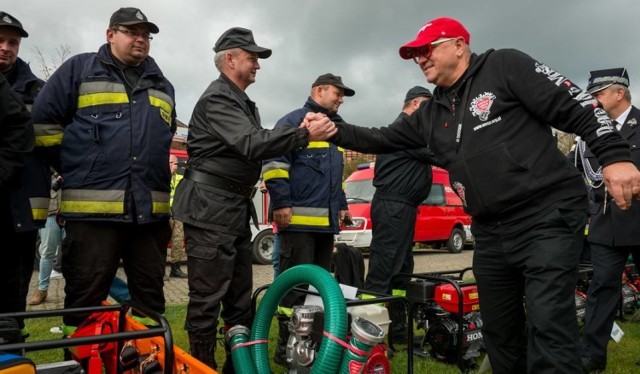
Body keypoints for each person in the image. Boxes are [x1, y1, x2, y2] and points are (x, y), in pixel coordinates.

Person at [304, 16, 640, 374]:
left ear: (459, 46)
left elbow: (577, 104)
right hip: (490, 230)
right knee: (499, 331)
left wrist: (615, 156)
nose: (420, 58)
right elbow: (382, 138)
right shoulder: (430, 112)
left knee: (548, 324)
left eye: (427, 49)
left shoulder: (504, 65)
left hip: (545, 216)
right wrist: (334, 130)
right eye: (415, 54)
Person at [171, 27, 336, 372]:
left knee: (239, 301)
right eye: (252, 57)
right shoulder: (218, 98)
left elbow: (256, 140)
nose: (258, 64)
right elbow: (252, 143)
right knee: (208, 299)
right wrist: (304, 133)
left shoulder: (241, 102)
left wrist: (294, 132)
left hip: (229, 209)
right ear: (230, 59)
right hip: (209, 208)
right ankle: (202, 366)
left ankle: (239, 366)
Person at [31, 7, 177, 333]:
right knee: (85, 301)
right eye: (131, 31)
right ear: (110, 34)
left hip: (148, 218)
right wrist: (72, 165)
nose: (140, 38)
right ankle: (85, 362)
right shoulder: (79, 70)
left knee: (149, 306)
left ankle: (143, 361)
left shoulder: (163, 85)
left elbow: (161, 143)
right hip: (92, 217)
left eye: (146, 34)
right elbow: (42, 125)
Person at [261, 72, 353, 366]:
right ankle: (283, 351)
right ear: (319, 90)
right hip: (297, 225)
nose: (340, 99)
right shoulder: (292, 122)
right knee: (293, 293)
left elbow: (334, 178)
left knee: (317, 291)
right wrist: (281, 202)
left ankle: (307, 349)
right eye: (337, 93)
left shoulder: (333, 130)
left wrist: (341, 205)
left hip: (324, 229)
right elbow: (274, 164)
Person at [576, 68, 640, 373]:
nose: (595, 101)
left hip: (639, 221)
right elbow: (575, 172)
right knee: (601, 290)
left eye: (599, 94)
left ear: (619, 93)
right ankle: (591, 355)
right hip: (604, 225)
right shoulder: (590, 132)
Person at [364, 86, 434, 344]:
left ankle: (398, 332)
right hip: (393, 206)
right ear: (416, 104)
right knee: (382, 273)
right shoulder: (405, 130)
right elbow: (438, 152)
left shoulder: (409, 130)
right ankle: (370, 338)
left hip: (403, 208)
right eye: (429, 107)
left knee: (401, 271)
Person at [0, 11, 49, 337]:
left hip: (21, 212)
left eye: (12, 42)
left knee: (12, 295)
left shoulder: (40, 91)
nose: (5, 47)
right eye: (0, 41)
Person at [28, 172, 66, 306]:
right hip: (50, 214)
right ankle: (42, 290)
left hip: (71, 214)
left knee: (76, 254)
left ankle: (76, 291)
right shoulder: (44, 167)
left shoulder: (70, 161)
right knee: (47, 252)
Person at [167, 154, 187, 279]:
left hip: (177, 213)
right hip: (163, 213)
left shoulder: (180, 177)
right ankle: (159, 271)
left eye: (173, 163)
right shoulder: (160, 176)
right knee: (160, 242)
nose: (172, 166)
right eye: (169, 163)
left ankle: (175, 269)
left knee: (178, 241)